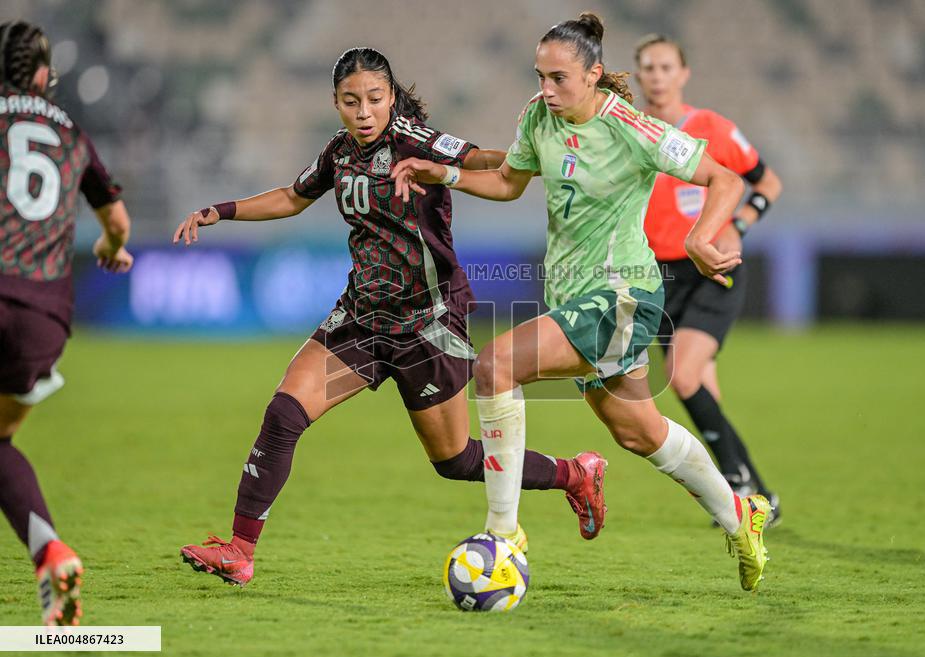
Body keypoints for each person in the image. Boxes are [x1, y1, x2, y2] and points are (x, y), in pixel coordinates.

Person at [174, 48, 607, 588]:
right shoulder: (339, 152)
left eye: (374, 99)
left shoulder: (415, 139)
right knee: (284, 414)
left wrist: (542, 156)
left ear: (392, 97)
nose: (363, 111)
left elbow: (481, 159)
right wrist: (223, 210)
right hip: (360, 320)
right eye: (351, 101)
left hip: (427, 324)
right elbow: (291, 196)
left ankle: (574, 473)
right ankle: (240, 551)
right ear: (335, 102)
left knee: (455, 461)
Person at [392, 13, 773, 591]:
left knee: (496, 365)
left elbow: (726, 180)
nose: (546, 89)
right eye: (540, 76)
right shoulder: (537, 116)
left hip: (623, 295)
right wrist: (443, 172)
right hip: (575, 297)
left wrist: (700, 239)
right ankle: (739, 513)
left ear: (594, 74)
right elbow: (509, 182)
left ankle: (503, 534)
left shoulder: (632, 128)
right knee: (638, 431)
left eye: (559, 78)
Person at [0, 21, 134, 625]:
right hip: (43, 315)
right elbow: (118, 223)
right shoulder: (70, 133)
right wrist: (110, 248)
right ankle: (50, 552)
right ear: (41, 75)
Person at [634, 35, 784, 524]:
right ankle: (757, 499)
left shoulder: (711, 127)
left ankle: (742, 487)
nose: (656, 75)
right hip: (656, 275)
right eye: (648, 68)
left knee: (683, 373)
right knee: (701, 393)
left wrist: (738, 225)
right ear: (637, 76)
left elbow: (767, 181)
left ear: (683, 73)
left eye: (665, 66)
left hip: (712, 266)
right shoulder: (631, 131)